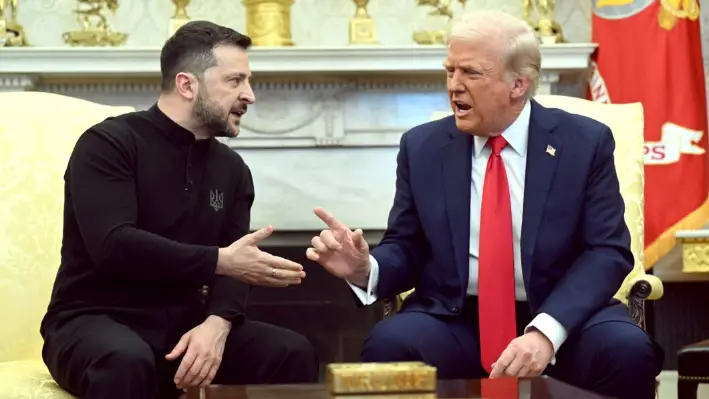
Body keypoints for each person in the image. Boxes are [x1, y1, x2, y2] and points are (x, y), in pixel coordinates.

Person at [306, 10, 662, 399]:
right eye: (449, 71)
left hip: (564, 314)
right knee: (391, 345)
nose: (454, 86)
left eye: (471, 73)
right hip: (457, 318)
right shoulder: (422, 147)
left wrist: (546, 331)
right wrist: (365, 269)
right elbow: (406, 245)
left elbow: (607, 252)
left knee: (626, 352)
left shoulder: (584, 142)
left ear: (518, 84)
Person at [40, 21, 319, 399]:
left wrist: (217, 325)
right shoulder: (108, 144)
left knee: (289, 352)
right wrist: (219, 260)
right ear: (187, 85)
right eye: (235, 81)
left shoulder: (233, 171)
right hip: (93, 320)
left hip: (186, 326)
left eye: (248, 81)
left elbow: (239, 263)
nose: (250, 95)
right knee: (125, 361)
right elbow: (113, 245)